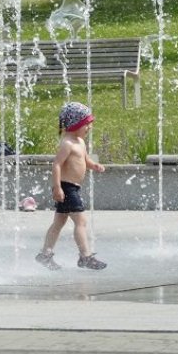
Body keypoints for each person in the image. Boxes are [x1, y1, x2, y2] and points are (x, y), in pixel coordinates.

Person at [35, 102, 107, 271]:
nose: (89, 127)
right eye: (86, 124)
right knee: (81, 221)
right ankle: (85, 256)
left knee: (58, 222)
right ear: (76, 124)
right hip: (66, 188)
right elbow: (57, 165)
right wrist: (57, 187)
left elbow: (84, 160)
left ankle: (45, 255)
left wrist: (94, 166)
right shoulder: (67, 143)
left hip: (72, 188)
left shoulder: (79, 142)